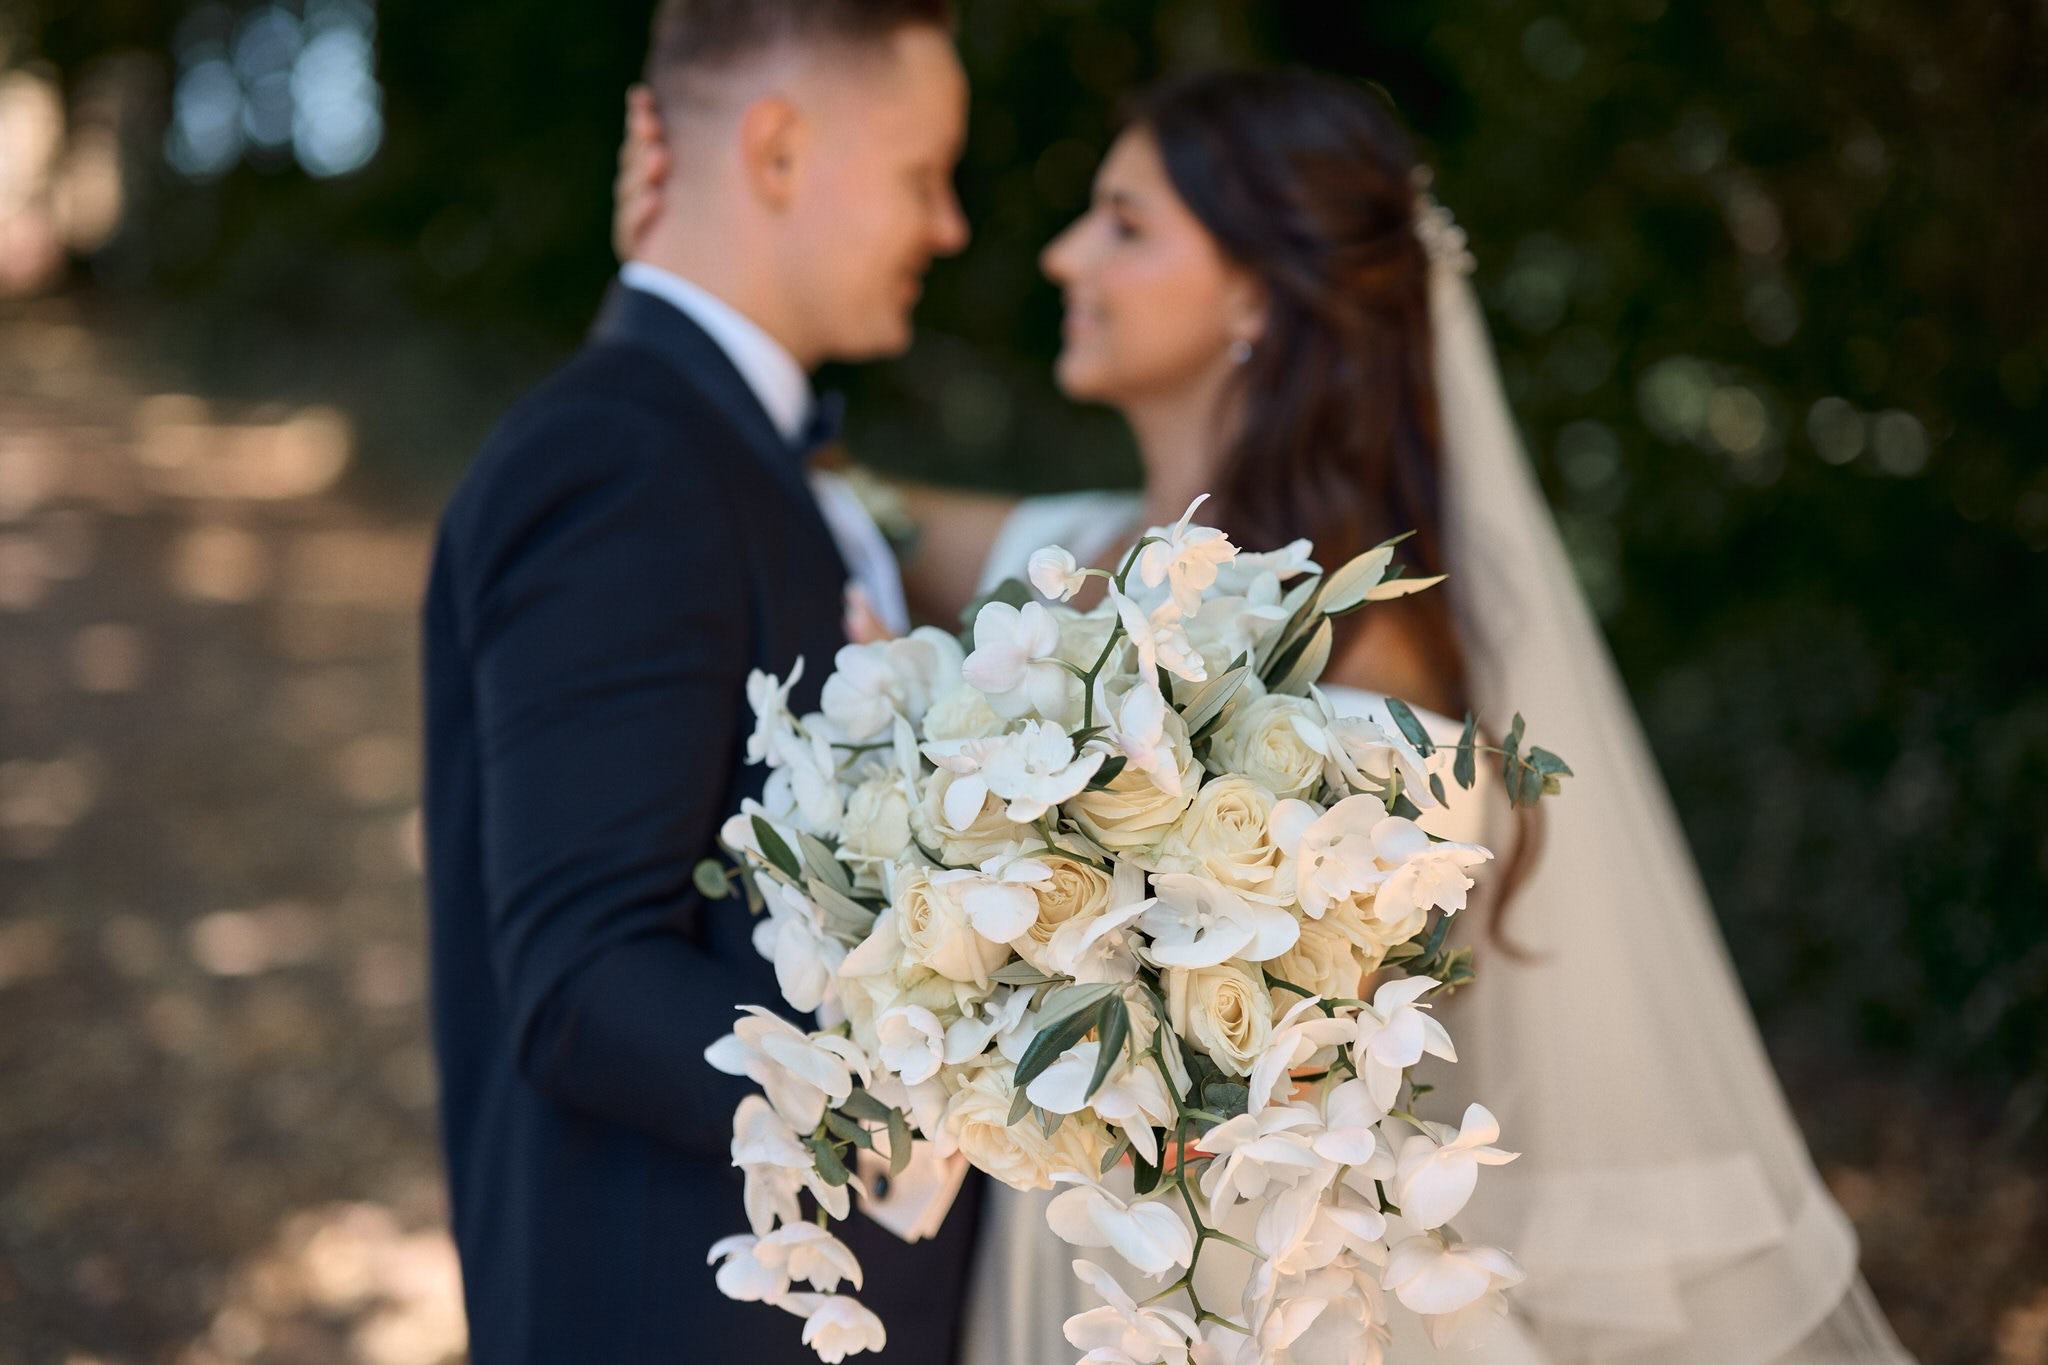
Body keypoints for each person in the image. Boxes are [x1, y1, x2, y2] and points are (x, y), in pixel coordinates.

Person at [614, 63, 1915, 1365]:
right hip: (1075, 1279)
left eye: (1125, 223)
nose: (1066, 255)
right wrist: (670, 288)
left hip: (1260, 1309)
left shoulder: (1377, 647)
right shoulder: (1067, 554)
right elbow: (826, 481)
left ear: (1252, 287)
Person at [420, 2, 984, 1360]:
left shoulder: (724, 449)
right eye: (923, 175)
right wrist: (930, 1113)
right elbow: (583, 977)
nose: (951, 224)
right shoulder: (627, 461)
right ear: (776, 150)